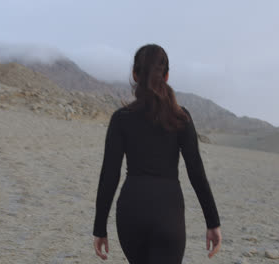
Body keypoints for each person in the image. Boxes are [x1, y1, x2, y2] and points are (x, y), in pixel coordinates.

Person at [92, 44, 222, 263]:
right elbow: (196, 172)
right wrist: (212, 222)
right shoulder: (181, 118)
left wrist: (100, 228)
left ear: (134, 75)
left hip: (131, 211)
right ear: (167, 76)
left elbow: (109, 175)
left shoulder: (121, 118)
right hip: (168, 213)